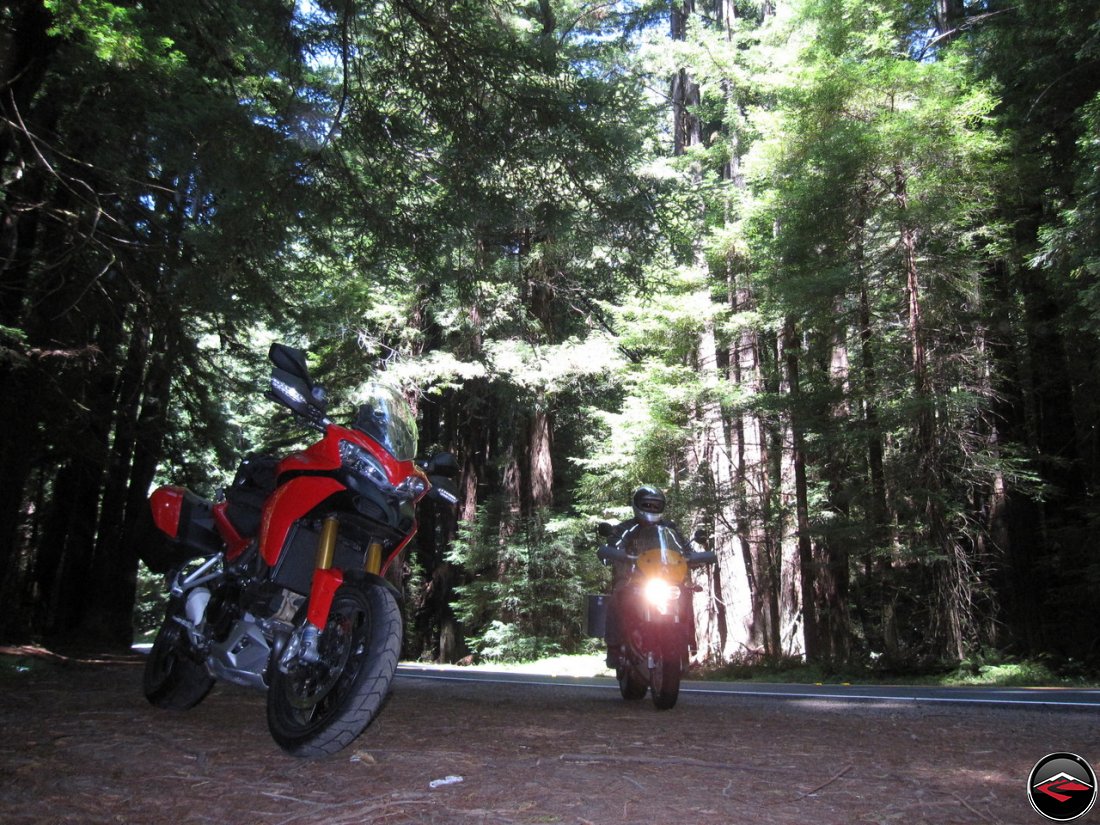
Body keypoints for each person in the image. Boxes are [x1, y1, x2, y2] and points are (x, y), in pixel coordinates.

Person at [597, 485, 691, 669]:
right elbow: (614, 546)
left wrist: (693, 557)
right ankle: (614, 647)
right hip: (633, 579)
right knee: (618, 597)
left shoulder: (670, 529)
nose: (651, 508)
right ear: (637, 505)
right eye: (647, 504)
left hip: (665, 578)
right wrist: (615, 555)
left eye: (656, 505)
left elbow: (684, 550)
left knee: (686, 593)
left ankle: (686, 644)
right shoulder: (626, 528)